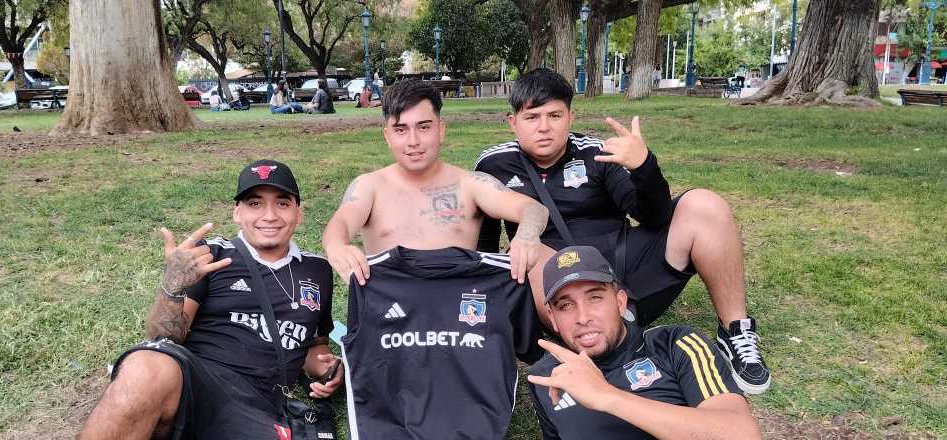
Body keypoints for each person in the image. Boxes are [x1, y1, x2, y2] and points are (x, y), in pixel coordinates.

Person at [474, 68, 770, 394]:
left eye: (554, 115)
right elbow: (482, 246)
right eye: (532, 117)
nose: (544, 127)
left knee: (705, 205)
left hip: (624, 271)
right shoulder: (493, 165)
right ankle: (602, 355)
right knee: (532, 254)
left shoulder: (596, 152)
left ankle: (735, 331)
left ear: (571, 117)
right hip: (554, 286)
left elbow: (653, 216)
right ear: (512, 121)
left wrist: (644, 165)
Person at [78, 160, 343, 440]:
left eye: (282, 203)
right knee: (144, 368)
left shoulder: (318, 270)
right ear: (237, 213)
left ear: (298, 214)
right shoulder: (211, 255)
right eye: (254, 204)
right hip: (198, 380)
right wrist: (172, 287)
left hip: (261, 403)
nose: (269, 215)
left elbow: (314, 346)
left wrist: (327, 368)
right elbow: (162, 337)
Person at [322, 78, 549, 287]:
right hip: (391, 313)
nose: (413, 141)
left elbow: (533, 209)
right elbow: (340, 224)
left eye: (424, 127)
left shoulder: (470, 185)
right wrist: (337, 247)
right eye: (401, 130)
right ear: (387, 137)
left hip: (455, 310)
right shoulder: (369, 187)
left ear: (441, 130)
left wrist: (526, 235)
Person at [526, 246, 762, 440]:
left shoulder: (675, 345)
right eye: (565, 306)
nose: (583, 317)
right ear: (553, 318)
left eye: (595, 297)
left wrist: (607, 396)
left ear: (620, 302)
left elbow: (741, 433)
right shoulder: (546, 377)